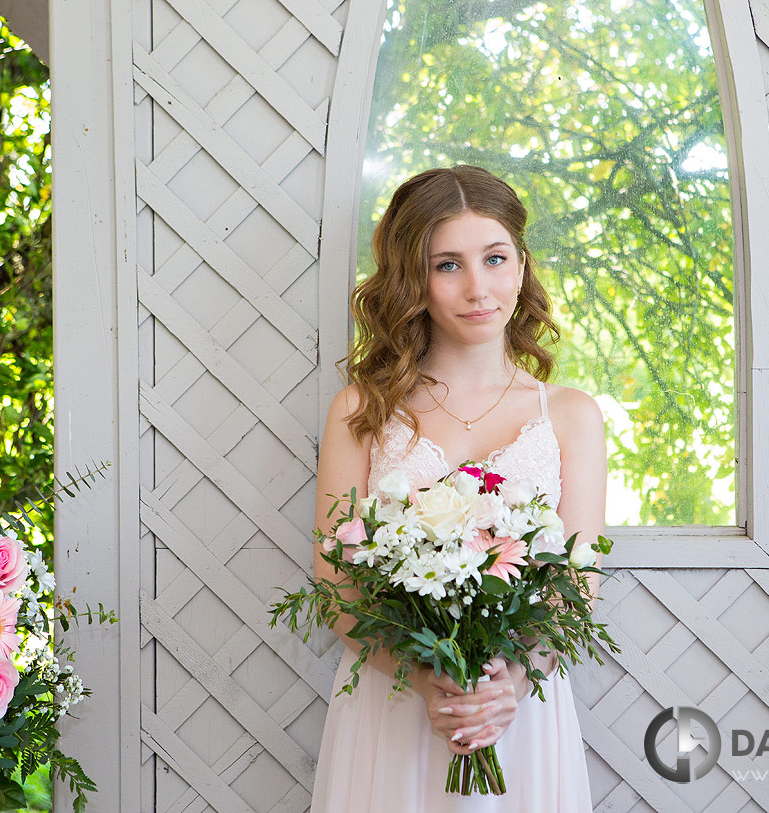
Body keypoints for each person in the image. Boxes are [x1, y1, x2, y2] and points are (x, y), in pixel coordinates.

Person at [310, 165, 607, 811]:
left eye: (495, 258)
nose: (478, 287)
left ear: (522, 265)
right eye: (448, 265)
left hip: (520, 710)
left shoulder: (571, 413)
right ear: (413, 277)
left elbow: (578, 581)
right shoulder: (362, 409)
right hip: (395, 707)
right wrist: (427, 681)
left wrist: (512, 683)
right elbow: (336, 584)